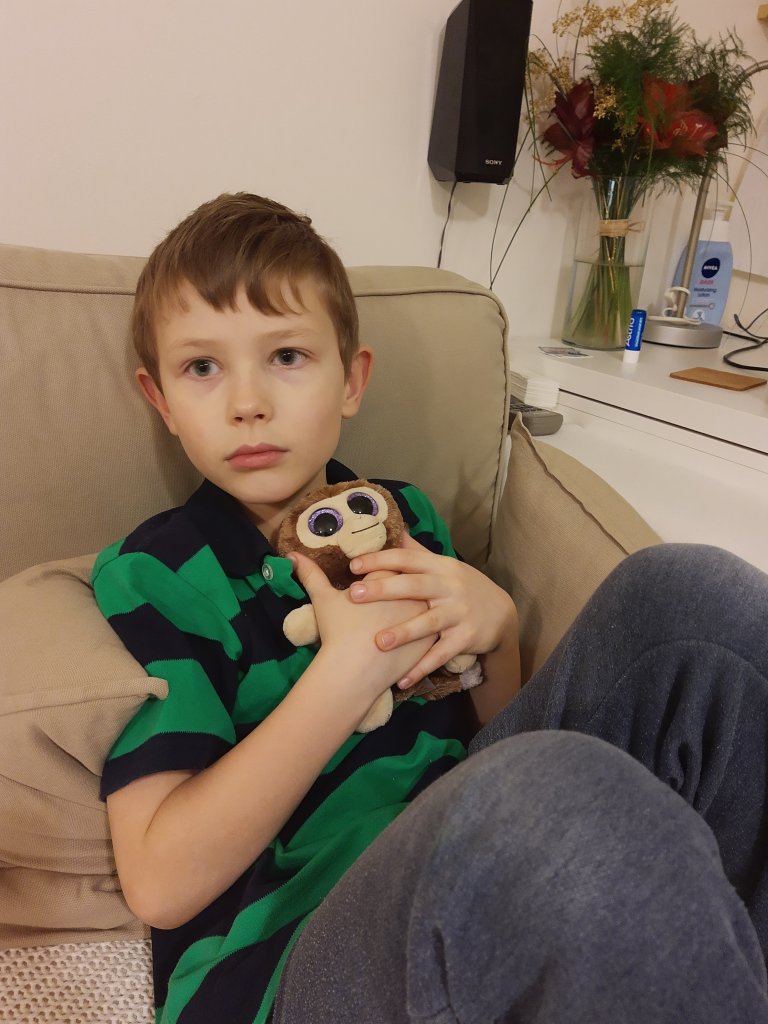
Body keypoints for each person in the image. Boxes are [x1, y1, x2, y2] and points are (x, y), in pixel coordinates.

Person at [92, 192, 768, 1024]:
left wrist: (499, 633)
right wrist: (347, 669)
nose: (248, 402)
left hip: (471, 858)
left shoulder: (403, 515)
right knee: (559, 792)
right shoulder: (159, 572)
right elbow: (159, 883)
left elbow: (485, 733)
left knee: (688, 595)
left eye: (287, 356)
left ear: (352, 380)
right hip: (294, 962)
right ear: (160, 399)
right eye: (203, 368)